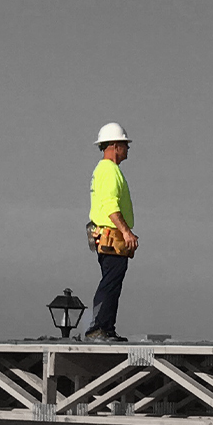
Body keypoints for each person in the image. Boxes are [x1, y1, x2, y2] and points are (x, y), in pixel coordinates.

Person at [84, 122, 138, 342]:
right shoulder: (109, 170)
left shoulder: (103, 170)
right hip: (111, 236)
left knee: (112, 281)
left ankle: (105, 329)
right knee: (110, 282)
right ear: (115, 146)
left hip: (105, 236)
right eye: (125, 144)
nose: (127, 149)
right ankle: (98, 329)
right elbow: (110, 206)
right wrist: (126, 233)